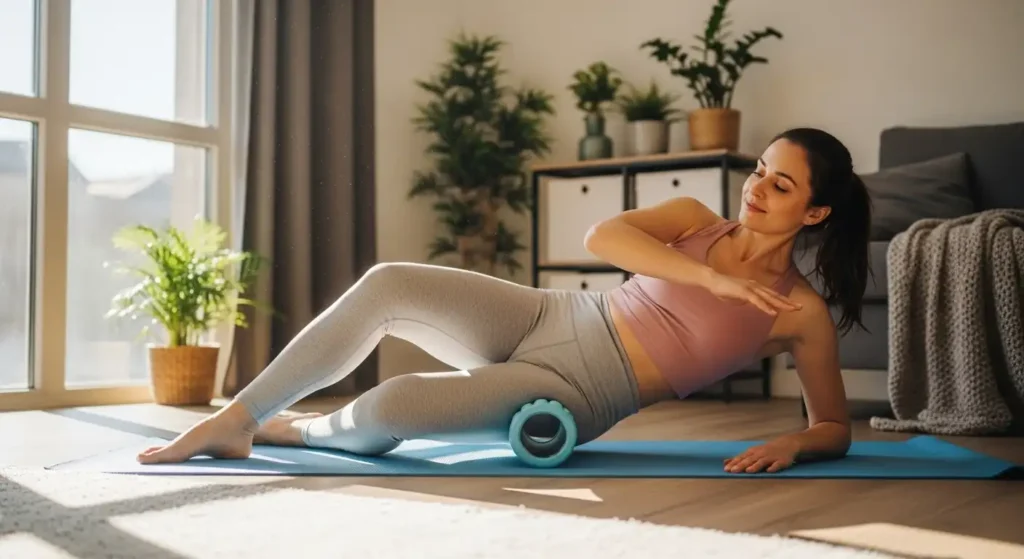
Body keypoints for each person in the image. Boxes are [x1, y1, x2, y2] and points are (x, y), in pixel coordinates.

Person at [137, 127, 871, 474]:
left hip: (578, 388)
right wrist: (711, 278)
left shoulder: (799, 313)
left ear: (815, 213)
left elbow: (834, 425)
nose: (757, 188)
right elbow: (602, 235)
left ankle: (303, 432)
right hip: (552, 314)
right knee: (389, 280)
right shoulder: (693, 220)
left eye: (781, 184)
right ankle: (238, 419)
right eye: (760, 170)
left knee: (393, 406)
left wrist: (794, 442)